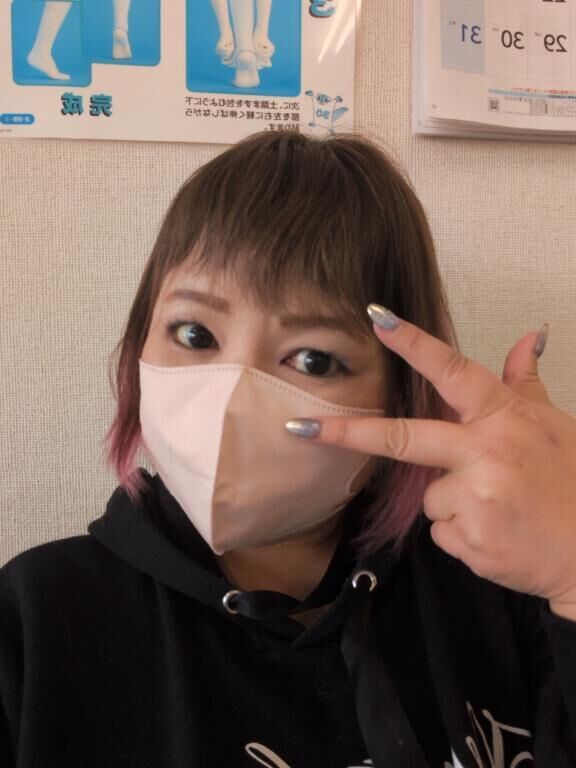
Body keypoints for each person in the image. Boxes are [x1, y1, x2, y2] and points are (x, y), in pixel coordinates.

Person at [1, 130, 575, 768]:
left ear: (400, 394)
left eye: (313, 359)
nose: (231, 401)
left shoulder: (499, 586)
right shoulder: (36, 616)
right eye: (194, 334)